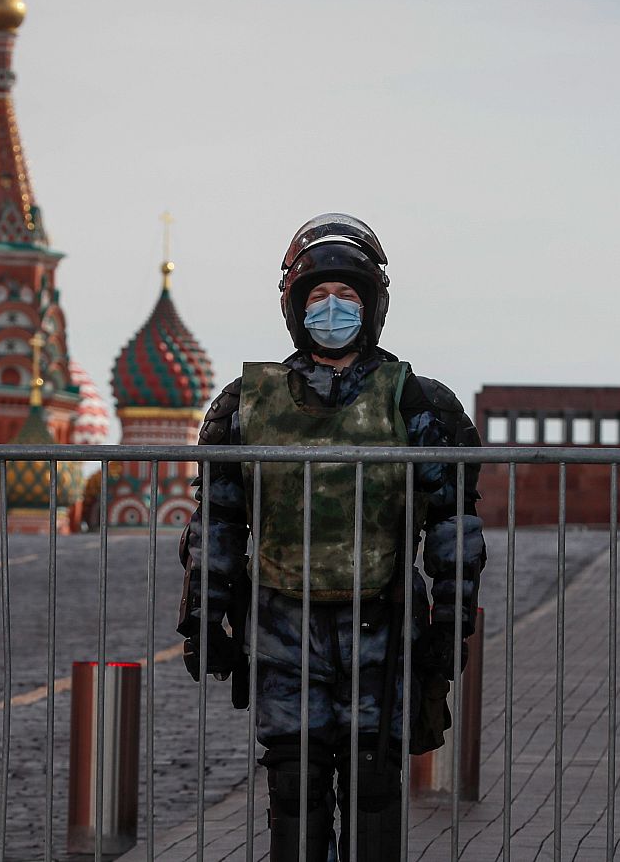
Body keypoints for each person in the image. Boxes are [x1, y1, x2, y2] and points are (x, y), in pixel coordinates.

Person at [177, 213, 487, 861]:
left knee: (374, 782)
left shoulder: (418, 404)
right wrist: (203, 613)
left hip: (385, 626)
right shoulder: (245, 405)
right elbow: (218, 519)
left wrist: (450, 623)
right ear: (293, 307)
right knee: (294, 785)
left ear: (373, 306)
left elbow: (454, 520)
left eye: (348, 297)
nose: (333, 309)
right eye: (318, 297)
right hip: (282, 626)